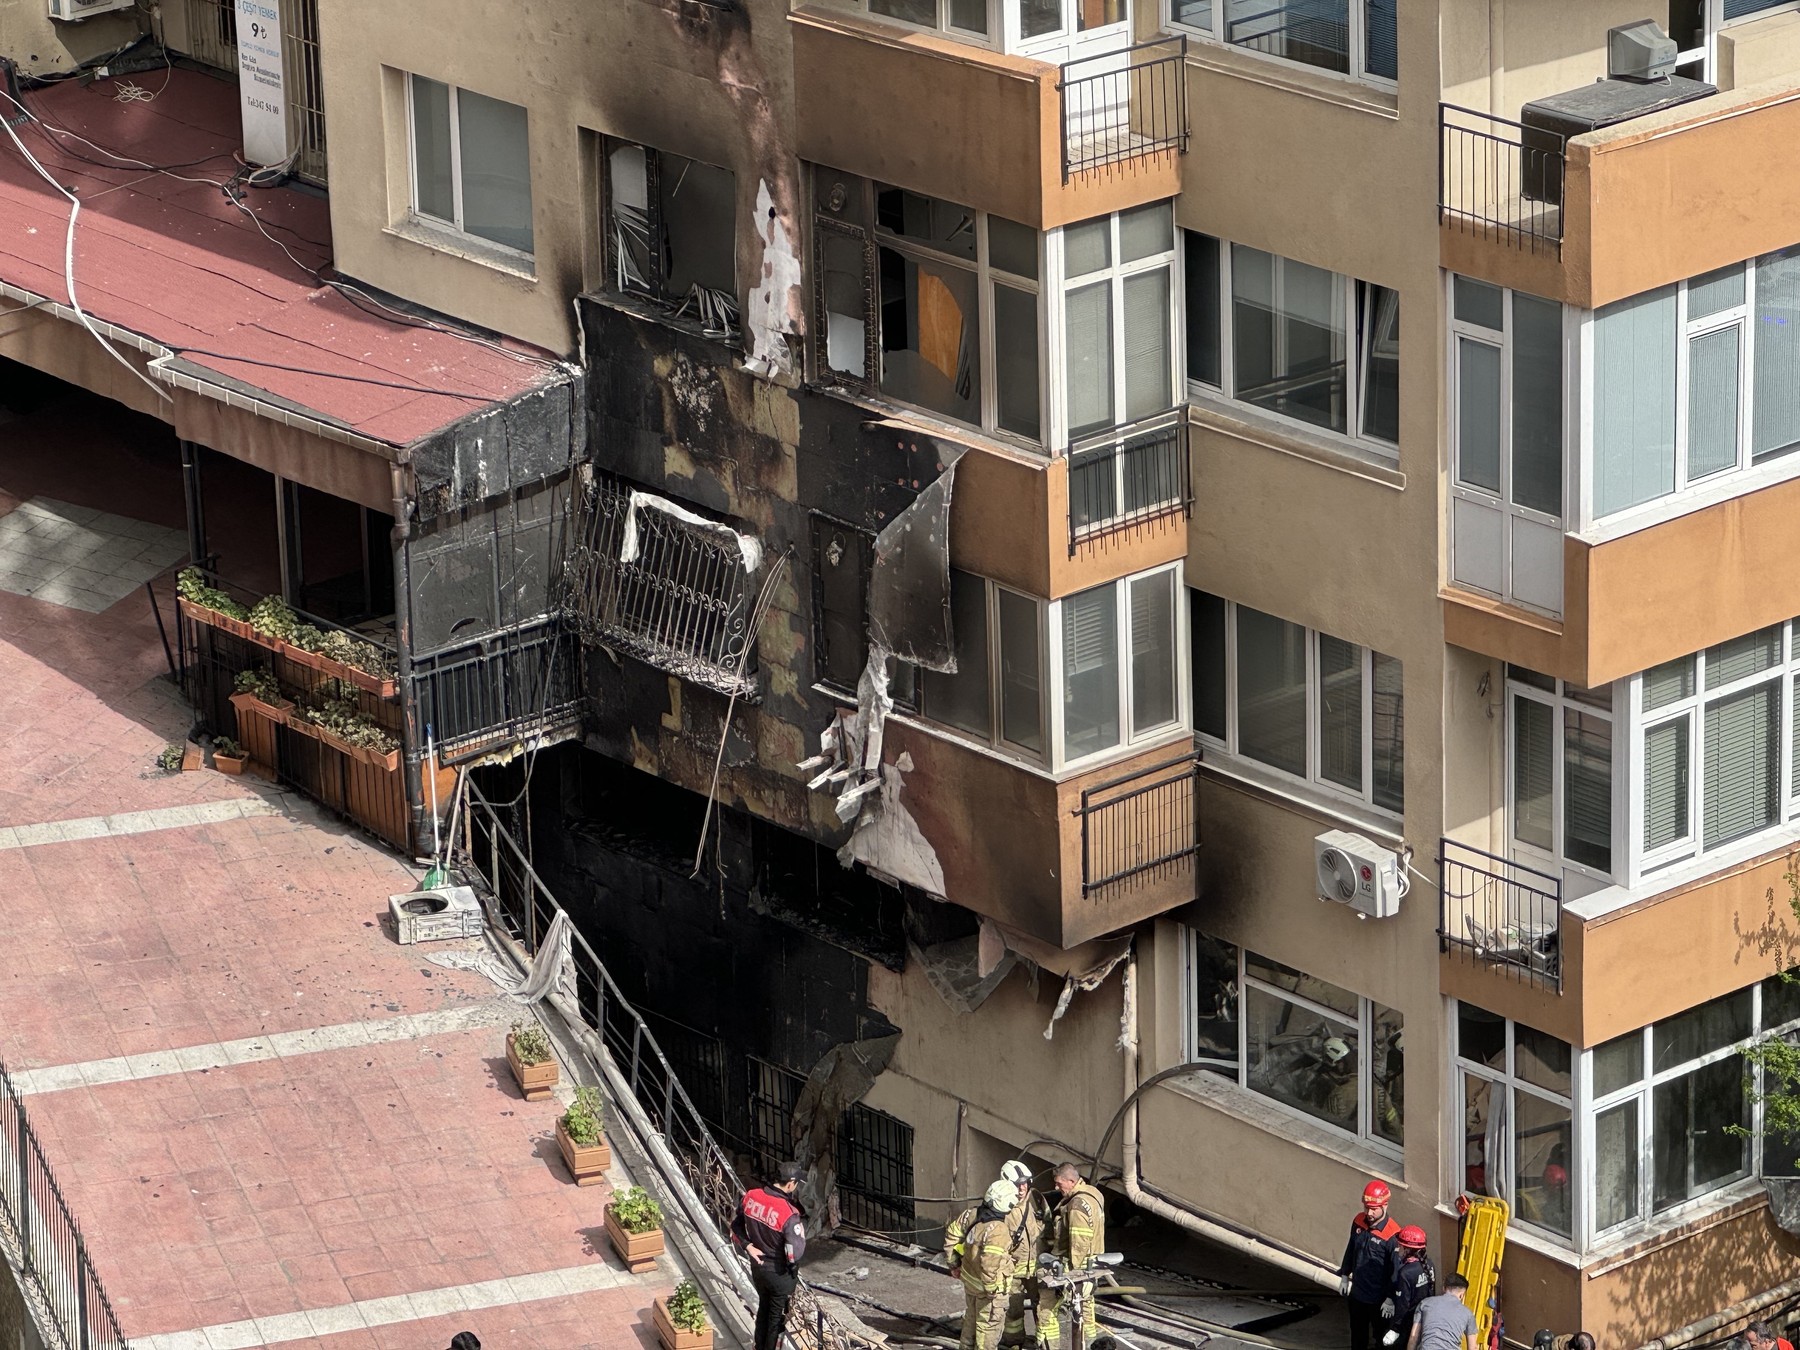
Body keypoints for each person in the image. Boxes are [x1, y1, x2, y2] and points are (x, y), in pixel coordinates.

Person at [732, 1161, 807, 1350]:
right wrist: (792, 1267)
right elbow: (794, 1251)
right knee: (775, 1320)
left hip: (758, 1267)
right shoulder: (789, 1214)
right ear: (790, 1184)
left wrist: (748, 1246)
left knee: (763, 1310)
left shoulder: (751, 1196)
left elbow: (736, 1226)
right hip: (779, 1273)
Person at [1037, 1163, 1110, 1350]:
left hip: (1076, 1268)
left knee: (1046, 1308)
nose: (1056, 1188)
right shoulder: (1093, 1194)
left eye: (1059, 1183)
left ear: (1071, 1181)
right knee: (1086, 1309)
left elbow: (1079, 1244)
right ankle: (1092, 1345)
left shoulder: (1076, 1205)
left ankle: (1049, 1346)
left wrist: (1071, 1276)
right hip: (1091, 1267)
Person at [954, 1181, 1022, 1350]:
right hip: (989, 1291)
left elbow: (951, 1235)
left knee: (971, 1320)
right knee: (988, 1328)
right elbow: (989, 1263)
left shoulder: (973, 1214)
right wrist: (992, 1289)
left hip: (971, 1283)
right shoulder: (998, 1230)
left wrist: (952, 1262)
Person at [1339, 1180, 1403, 1350]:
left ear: (1385, 1205)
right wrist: (1345, 1275)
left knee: (1381, 1338)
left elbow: (1395, 1270)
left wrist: (1390, 1298)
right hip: (1358, 1294)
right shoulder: (1358, 1221)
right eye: (1367, 1207)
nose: (1369, 1212)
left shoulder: (1392, 1235)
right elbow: (1351, 1248)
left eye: (1374, 1209)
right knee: (1357, 1335)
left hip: (1379, 1300)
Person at [1000, 1160, 1045, 1348]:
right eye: (1018, 1184)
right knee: (1014, 1312)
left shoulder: (1032, 1202)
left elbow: (1041, 1227)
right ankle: (1014, 1342)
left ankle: (1044, 1344)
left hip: (1034, 1268)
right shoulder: (1002, 1207)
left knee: (1043, 1308)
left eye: (1025, 1183)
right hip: (1013, 1272)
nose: (1022, 1188)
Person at [1380, 1226, 1435, 1348]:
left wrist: (1395, 1329)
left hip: (1406, 1323)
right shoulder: (1429, 1265)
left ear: (1407, 1249)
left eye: (1400, 1246)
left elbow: (1403, 1304)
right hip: (1423, 1321)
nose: (1398, 1248)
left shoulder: (1405, 1272)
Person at [1407, 1274, 1479, 1350]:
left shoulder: (1425, 1303)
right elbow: (1473, 1347)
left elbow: (1413, 1337)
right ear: (1462, 1295)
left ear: (1444, 1288)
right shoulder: (1468, 1313)